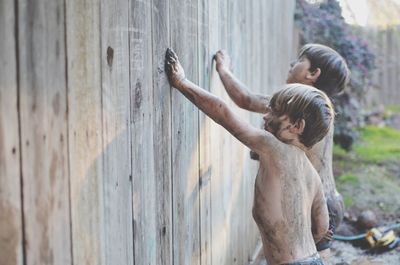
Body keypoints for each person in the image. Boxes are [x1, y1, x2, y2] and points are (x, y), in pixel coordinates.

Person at [165, 48, 334, 265]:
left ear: (296, 126)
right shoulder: (313, 176)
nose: (266, 115)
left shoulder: (272, 146)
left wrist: (182, 82)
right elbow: (322, 227)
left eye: (274, 111)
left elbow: (223, 112)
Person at [214, 44, 350, 261]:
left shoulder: (299, 107)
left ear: (312, 74)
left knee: (308, 256)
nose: (291, 64)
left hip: (317, 199)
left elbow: (245, 99)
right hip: (329, 196)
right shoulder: (320, 108)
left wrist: (223, 69)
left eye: (298, 61)